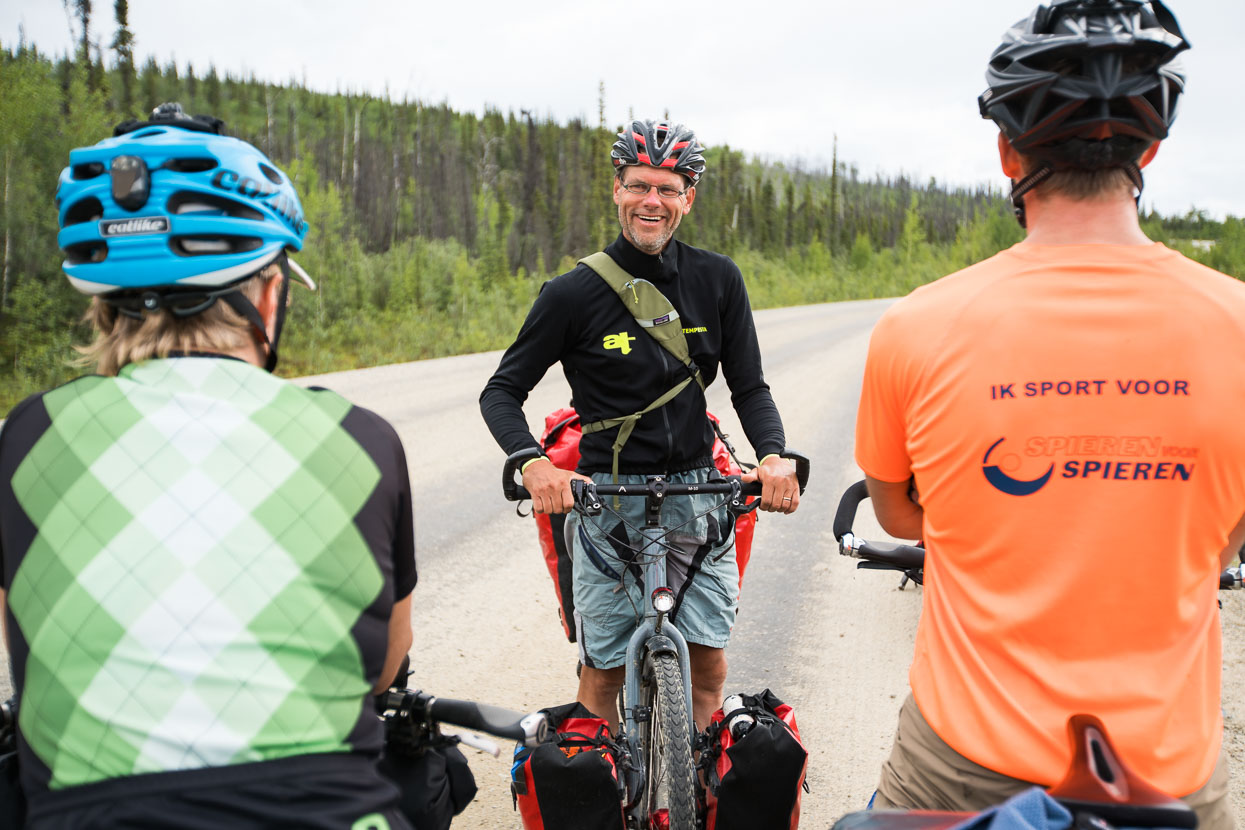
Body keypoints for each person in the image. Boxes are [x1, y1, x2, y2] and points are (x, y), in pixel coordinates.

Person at [854, 2, 1241, 828]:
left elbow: (898, 513)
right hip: (1169, 775)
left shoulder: (916, 326)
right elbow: (1226, 536)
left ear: (1006, 152)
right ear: (1151, 151)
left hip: (964, 767)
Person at [0, 104, 416, 829]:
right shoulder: (360, 438)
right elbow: (383, 667)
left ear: (100, 301)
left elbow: (27, 655)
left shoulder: (30, 434)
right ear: (269, 292)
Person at [480, 119, 800, 729]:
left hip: (699, 497)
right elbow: (501, 391)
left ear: (688, 198)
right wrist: (533, 461)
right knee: (601, 675)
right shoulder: (573, 293)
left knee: (708, 671)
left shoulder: (718, 279)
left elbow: (749, 386)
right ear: (618, 191)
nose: (652, 201)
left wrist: (774, 454)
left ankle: (698, 797)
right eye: (639, 186)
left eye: (668, 188)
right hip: (607, 502)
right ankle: (597, 794)